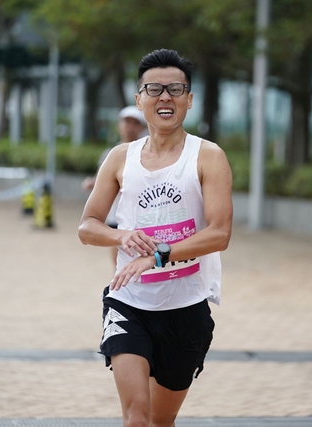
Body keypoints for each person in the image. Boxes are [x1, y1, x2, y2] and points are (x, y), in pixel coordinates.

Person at [78, 49, 233, 427]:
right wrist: (122, 235)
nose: (165, 97)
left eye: (175, 89)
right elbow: (88, 226)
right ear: (139, 99)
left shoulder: (208, 156)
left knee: (161, 422)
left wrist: (159, 255)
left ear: (189, 99)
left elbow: (219, 233)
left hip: (186, 308)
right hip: (129, 303)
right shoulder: (120, 157)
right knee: (136, 418)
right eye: (154, 89)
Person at [82, 106, 147, 266]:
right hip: (116, 215)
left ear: (141, 127)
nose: (129, 127)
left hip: (141, 216)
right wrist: (91, 182)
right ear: (119, 126)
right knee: (118, 263)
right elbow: (101, 180)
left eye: (134, 123)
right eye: (126, 123)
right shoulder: (111, 153)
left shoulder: (148, 153)